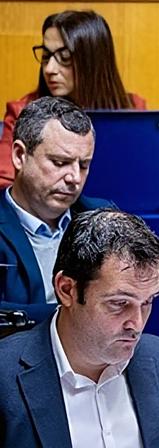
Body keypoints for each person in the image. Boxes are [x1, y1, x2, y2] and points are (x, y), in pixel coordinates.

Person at [0, 208, 159, 447]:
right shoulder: (5, 376)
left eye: (147, 302)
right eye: (119, 304)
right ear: (67, 290)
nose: (136, 324)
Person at [0, 10, 146, 187]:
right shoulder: (22, 111)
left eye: (65, 57)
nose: (49, 69)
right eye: (46, 56)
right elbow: (4, 184)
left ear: (93, 62)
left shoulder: (132, 109)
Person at [0, 96, 110, 323]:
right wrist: (72, 316)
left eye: (83, 165)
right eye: (60, 162)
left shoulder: (102, 218)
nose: (74, 178)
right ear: (20, 156)